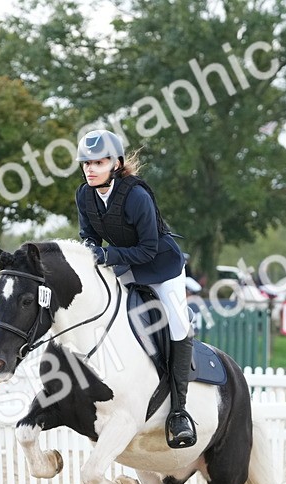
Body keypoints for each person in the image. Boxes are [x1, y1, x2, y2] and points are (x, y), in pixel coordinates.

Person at [75, 129, 198, 448]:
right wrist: (90, 251)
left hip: (162, 266)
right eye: (86, 163)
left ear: (115, 163)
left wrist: (107, 255)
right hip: (127, 268)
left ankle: (179, 413)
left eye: (98, 162)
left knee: (176, 326)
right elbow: (89, 235)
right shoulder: (84, 195)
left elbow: (147, 249)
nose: (90, 169)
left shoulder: (137, 196)